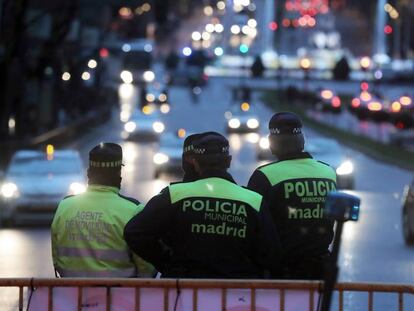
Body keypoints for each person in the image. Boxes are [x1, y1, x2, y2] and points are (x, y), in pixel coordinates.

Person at [124, 133, 282, 278]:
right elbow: (272, 255)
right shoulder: (253, 201)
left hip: (184, 292)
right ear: (228, 161)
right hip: (236, 294)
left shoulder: (174, 195)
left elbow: (135, 232)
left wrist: (167, 263)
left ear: (195, 163)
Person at [247, 112, 337, 279]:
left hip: (280, 272)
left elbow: (251, 226)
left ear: (272, 143)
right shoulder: (328, 172)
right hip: (320, 269)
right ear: (302, 141)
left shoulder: (264, 176)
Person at [51, 143, 153, 277]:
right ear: (118, 173)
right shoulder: (133, 210)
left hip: (71, 294)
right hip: (121, 295)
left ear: (89, 172)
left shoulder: (65, 206)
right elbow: (146, 267)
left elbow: (56, 258)